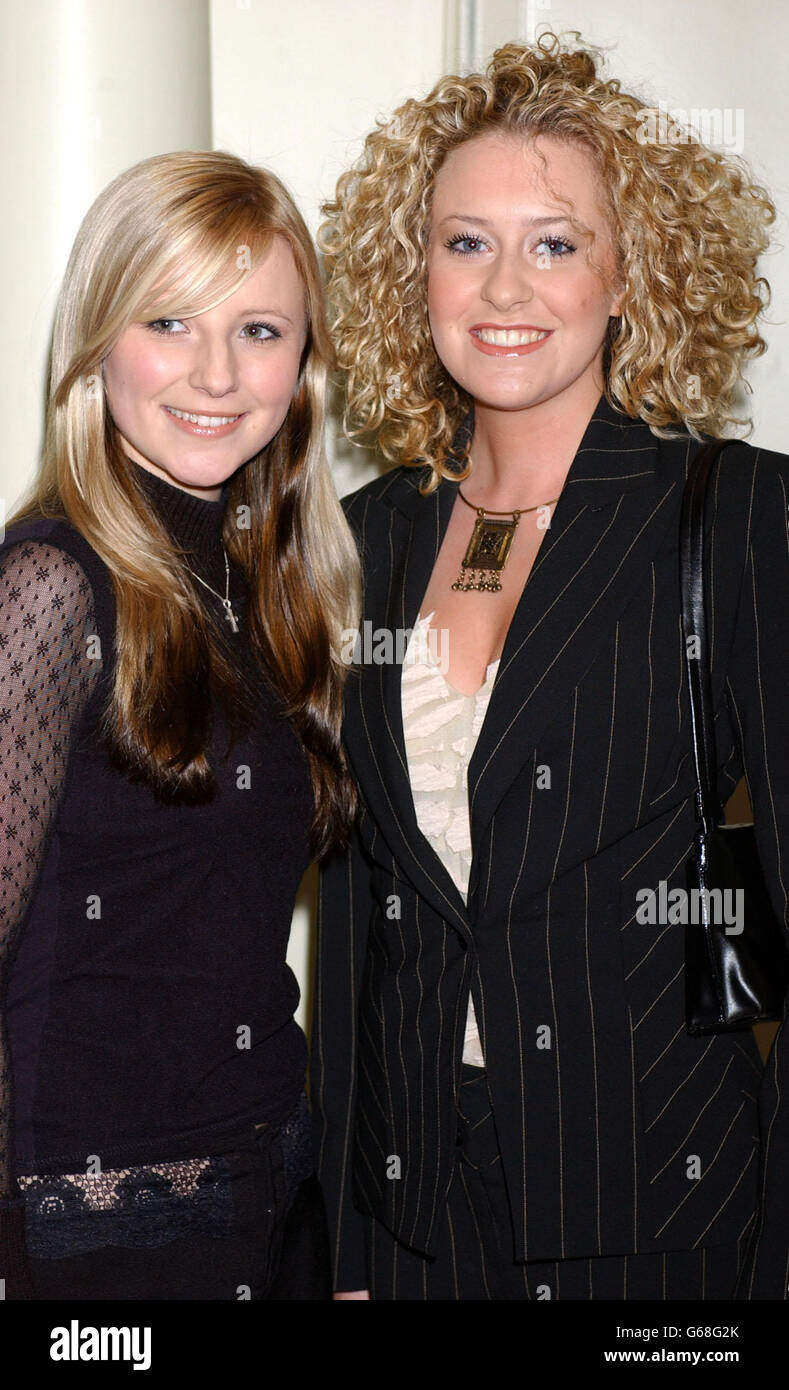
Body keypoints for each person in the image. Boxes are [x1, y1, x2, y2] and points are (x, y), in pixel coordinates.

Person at [310, 33, 789, 1300]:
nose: (505, 285)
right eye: (466, 242)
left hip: (658, 1216)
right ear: (414, 276)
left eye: (556, 242)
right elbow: (362, 913)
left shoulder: (735, 516)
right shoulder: (368, 539)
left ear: (630, 275)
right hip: (418, 1219)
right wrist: (355, 1238)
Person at [0, 149, 360, 1299]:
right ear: (98, 342)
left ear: (303, 362)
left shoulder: (277, 592)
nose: (216, 372)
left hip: (273, 1196)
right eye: (169, 319)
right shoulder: (48, 585)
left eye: (260, 329)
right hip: (91, 1239)